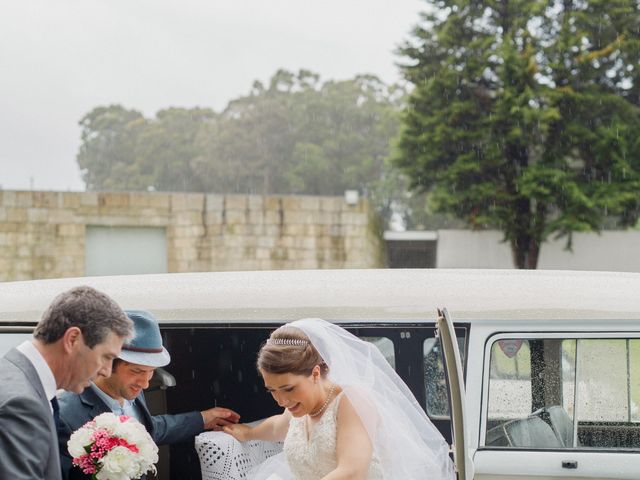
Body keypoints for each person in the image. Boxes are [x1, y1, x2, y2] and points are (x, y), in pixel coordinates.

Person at [224, 318, 454, 480]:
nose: (281, 400)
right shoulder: (298, 408)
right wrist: (248, 432)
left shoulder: (352, 401)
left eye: (288, 388)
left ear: (315, 373)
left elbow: (353, 472)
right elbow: (278, 426)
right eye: (272, 390)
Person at [57, 310, 241, 480]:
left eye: (151, 371)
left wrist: (202, 419)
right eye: (136, 371)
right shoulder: (65, 415)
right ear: (107, 361)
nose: (145, 383)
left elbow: (149, 429)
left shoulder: (131, 390)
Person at [0, 286, 133, 480]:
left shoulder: (14, 377)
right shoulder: (21, 404)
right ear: (72, 339)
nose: (106, 370)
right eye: (106, 357)